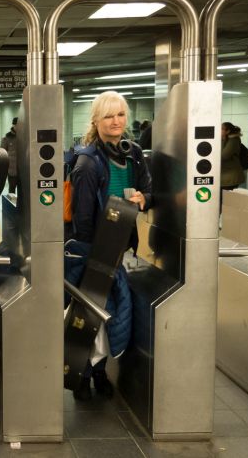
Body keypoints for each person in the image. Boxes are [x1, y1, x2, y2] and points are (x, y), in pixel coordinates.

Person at [69, 91, 152, 400]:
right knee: (91, 315)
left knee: (112, 313)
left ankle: (100, 372)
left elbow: (149, 191)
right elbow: (82, 217)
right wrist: (95, 258)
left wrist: (144, 199)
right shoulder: (88, 163)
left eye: (120, 115)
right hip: (96, 251)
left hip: (122, 247)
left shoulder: (134, 154)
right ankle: (83, 376)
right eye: (108, 116)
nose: (116, 121)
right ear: (96, 121)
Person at [220, 122, 246, 201]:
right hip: (225, 176)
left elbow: (223, 156)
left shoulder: (233, 140)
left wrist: (222, 140)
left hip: (230, 177)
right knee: (222, 200)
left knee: (225, 201)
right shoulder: (226, 139)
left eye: (221, 129)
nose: (219, 131)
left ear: (227, 131)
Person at [0, 117, 18, 193]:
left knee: (24, 191)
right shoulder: (7, 138)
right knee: (12, 190)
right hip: (12, 170)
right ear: (14, 125)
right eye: (17, 125)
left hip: (24, 170)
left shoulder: (26, 136)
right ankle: (12, 205)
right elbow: (2, 153)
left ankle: (22, 205)